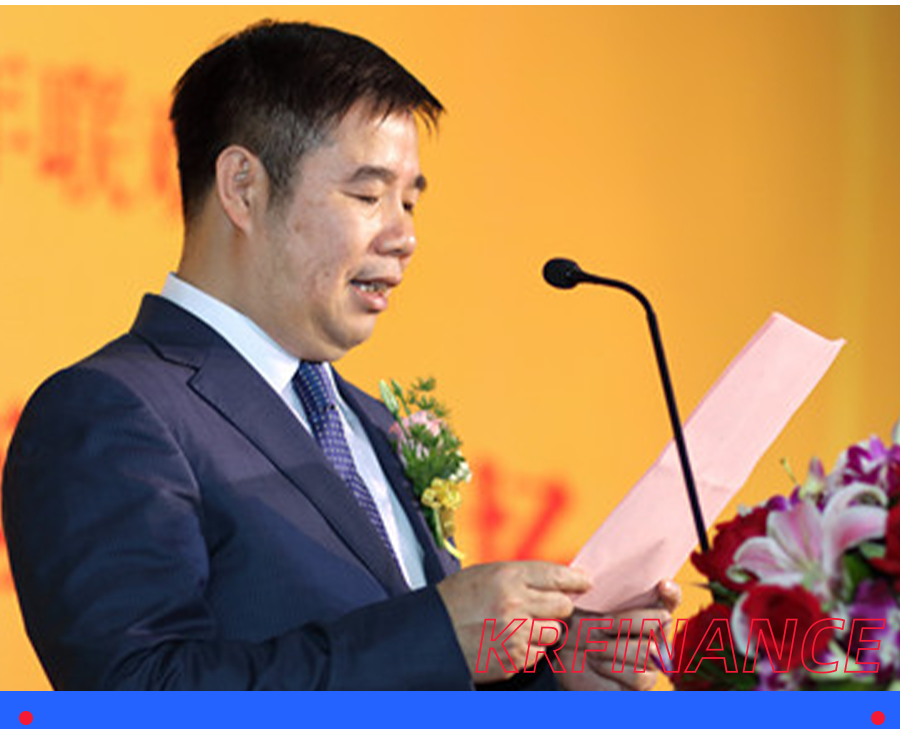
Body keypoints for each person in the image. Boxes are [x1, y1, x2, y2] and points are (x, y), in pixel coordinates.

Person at [2, 20, 677, 691]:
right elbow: (138, 699)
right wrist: (437, 635)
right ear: (242, 187)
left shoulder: (372, 422)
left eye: (409, 201)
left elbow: (417, 692)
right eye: (368, 195)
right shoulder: (110, 412)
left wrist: (555, 679)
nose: (405, 236)